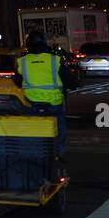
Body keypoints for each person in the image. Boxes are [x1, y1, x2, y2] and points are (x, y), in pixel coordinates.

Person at [18, 29, 73, 157]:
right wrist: (72, 85)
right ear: (44, 43)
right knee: (60, 129)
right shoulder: (55, 60)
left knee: (32, 130)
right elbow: (68, 79)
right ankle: (60, 154)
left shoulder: (22, 62)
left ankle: (34, 153)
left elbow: (17, 81)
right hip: (54, 104)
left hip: (31, 103)